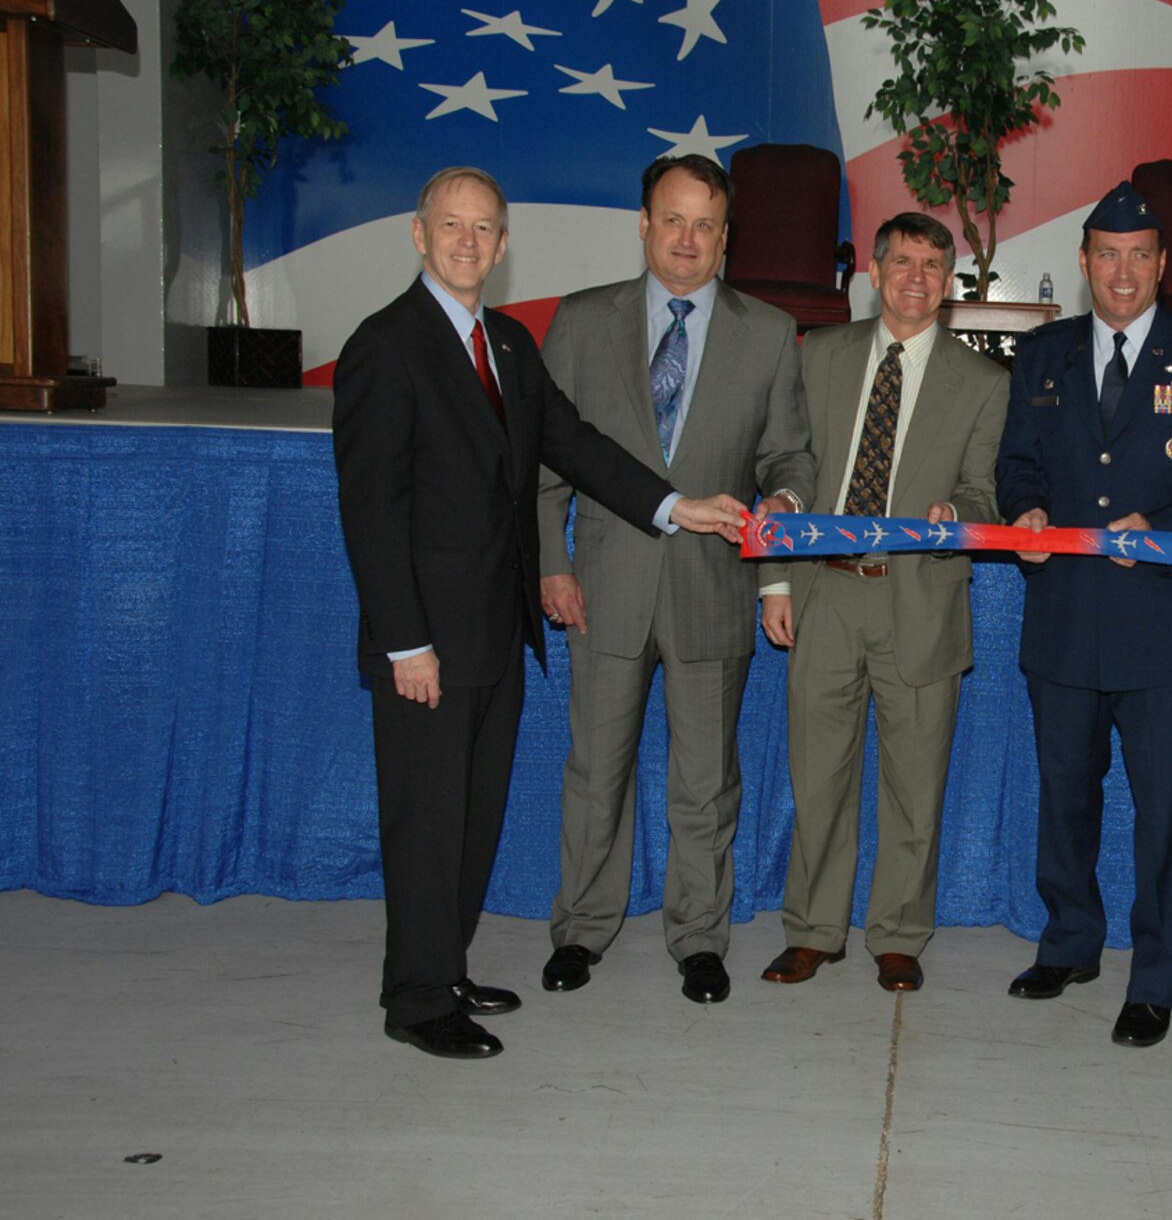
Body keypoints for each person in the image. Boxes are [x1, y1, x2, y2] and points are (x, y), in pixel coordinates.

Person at [332, 167, 744, 1059]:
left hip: (494, 633)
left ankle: (446, 969)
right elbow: (371, 513)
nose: (467, 243)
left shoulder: (510, 346)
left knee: (472, 820)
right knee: (426, 822)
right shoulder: (385, 345)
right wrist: (407, 643)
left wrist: (679, 508)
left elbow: (579, 449)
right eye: (452, 226)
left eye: (484, 229)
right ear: (418, 233)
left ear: (504, 244)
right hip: (426, 646)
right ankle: (414, 1000)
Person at [994, 180, 1172, 1048]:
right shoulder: (1044, 355)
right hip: (1067, 618)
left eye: (1139, 255)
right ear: (1083, 264)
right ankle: (1071, 942)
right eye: (1106, 255)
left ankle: (1155, 977)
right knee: (1066, 798)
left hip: (1167, 624)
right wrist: (1027, 515)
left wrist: (1167, 530)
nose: (1122, 271)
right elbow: (1017, 464)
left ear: (1163, 264)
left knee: (1166, 810)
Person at [535, 153, 814, 1005]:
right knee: (595, 775)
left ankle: (699, 939)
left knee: (705, 781)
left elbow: (789, 452)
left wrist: (788, 501)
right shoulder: (581, 323)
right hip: (603, 586)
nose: (688, 239)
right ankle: (581, 931)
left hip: (711, 591)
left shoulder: (767, 332)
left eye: (706, 224)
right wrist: (550, 558)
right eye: (673, 219)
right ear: (644, 224)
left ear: (726, 237)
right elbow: (544, 456)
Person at [754, 213, 1009, 994]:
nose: (917, 278)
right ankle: (813, 930)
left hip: (921, 598)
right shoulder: (819, 355)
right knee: (818, 776)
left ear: (951, 282)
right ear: (874, 270)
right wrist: (773, 579)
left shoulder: (985, 382)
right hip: (825, 589)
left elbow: (983, 492)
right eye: (903, 261)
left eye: (934, 265)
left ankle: (898, 934)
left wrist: (956, 519)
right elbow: (784, 463)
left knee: (915, 784)